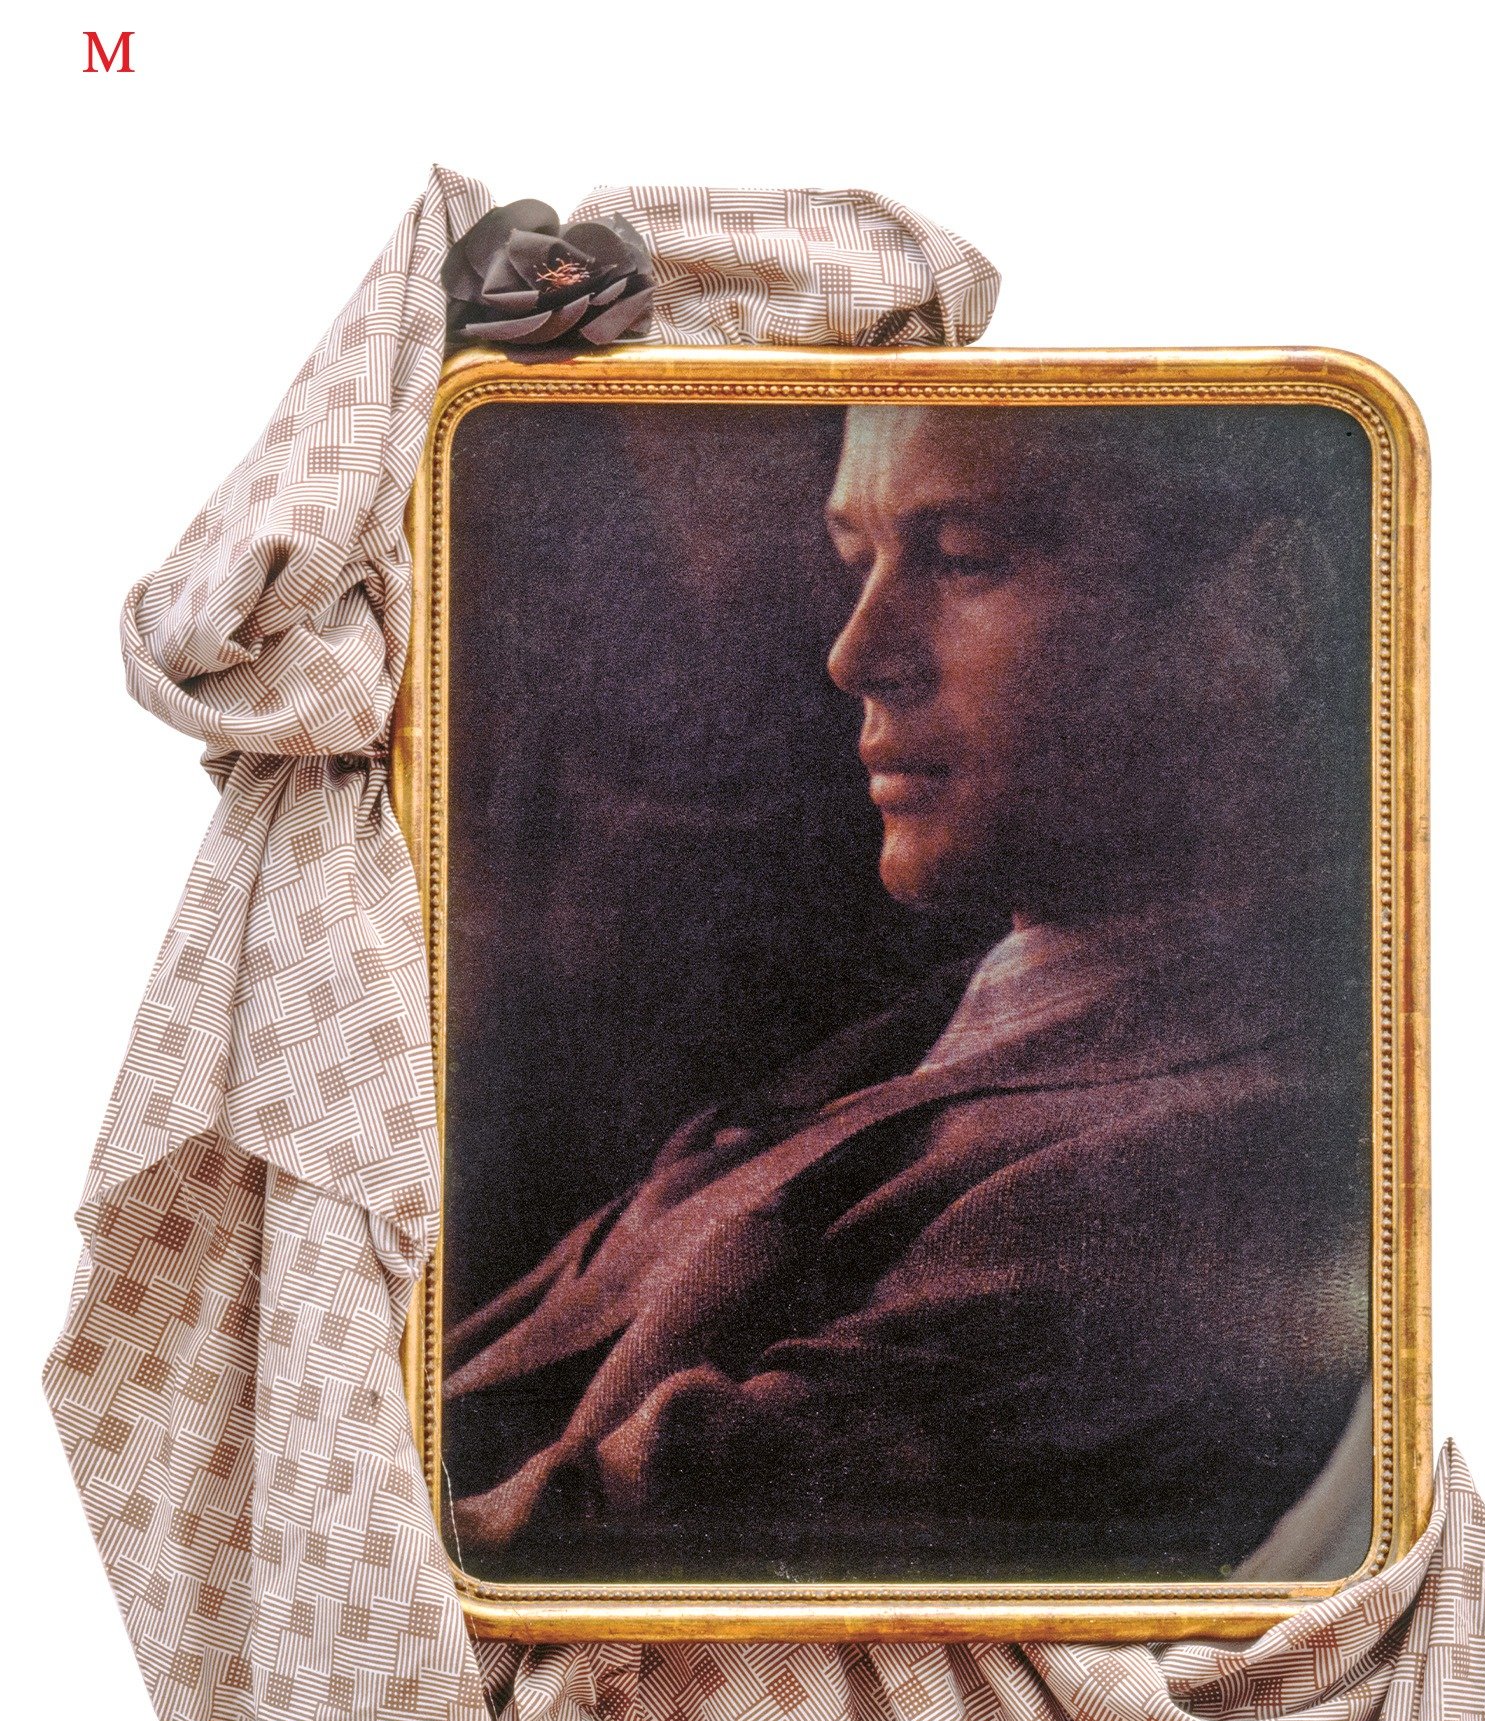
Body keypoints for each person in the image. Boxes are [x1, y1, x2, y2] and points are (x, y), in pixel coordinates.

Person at [442, 405, 1373, 1586]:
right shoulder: (965, 1019)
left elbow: (531, 1576)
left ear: (1264, 608)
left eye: (965, 558)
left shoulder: (1209, 1182)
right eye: (857, 561)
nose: (856, 652)